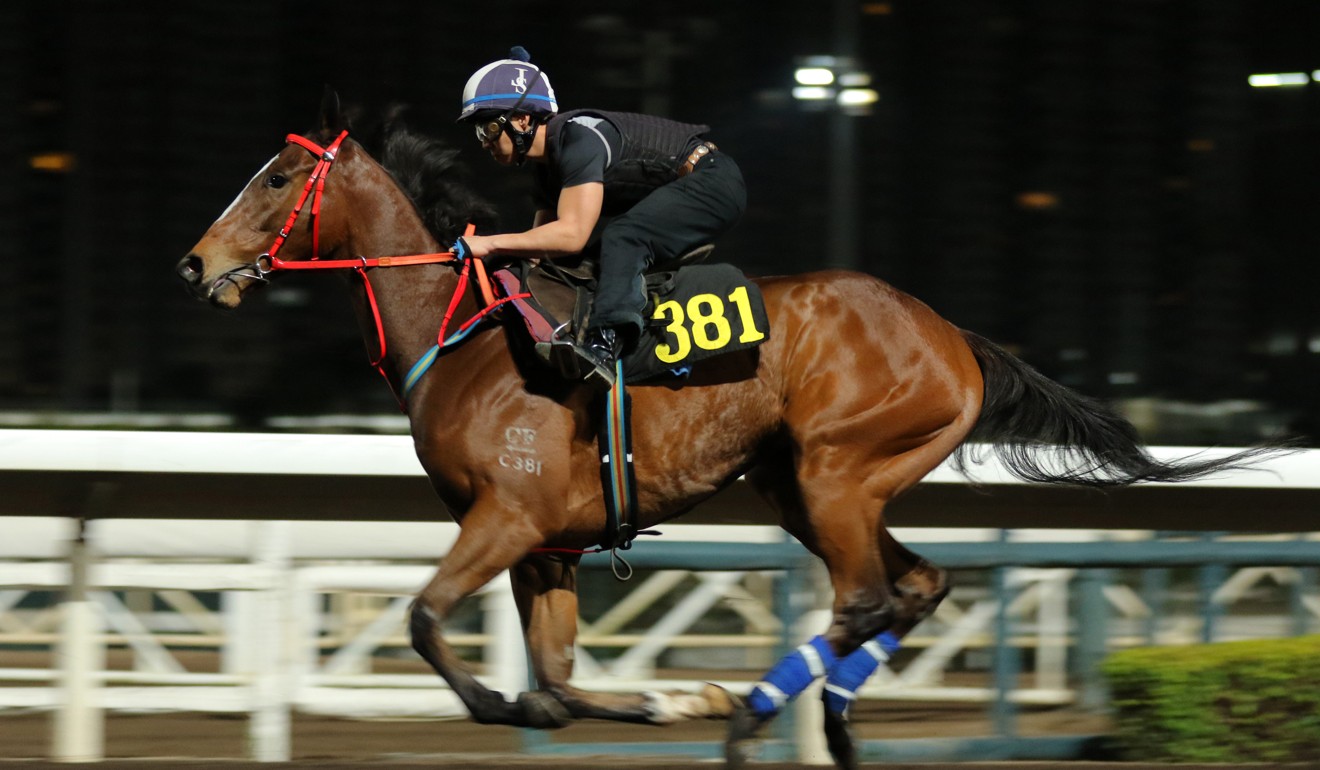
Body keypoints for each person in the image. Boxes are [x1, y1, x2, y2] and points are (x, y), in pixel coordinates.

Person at [453, 47, 748, 389]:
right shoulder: (547, 169)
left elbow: (571, 235)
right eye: (477, 132)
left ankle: (605, 345)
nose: (483, 142)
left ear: (522, 120)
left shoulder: (578, 139)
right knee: (584, 263)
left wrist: (487, 244)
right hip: (690, 184)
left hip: (713, 180)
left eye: (488, 127)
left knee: (623, 237)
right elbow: (541, 250)